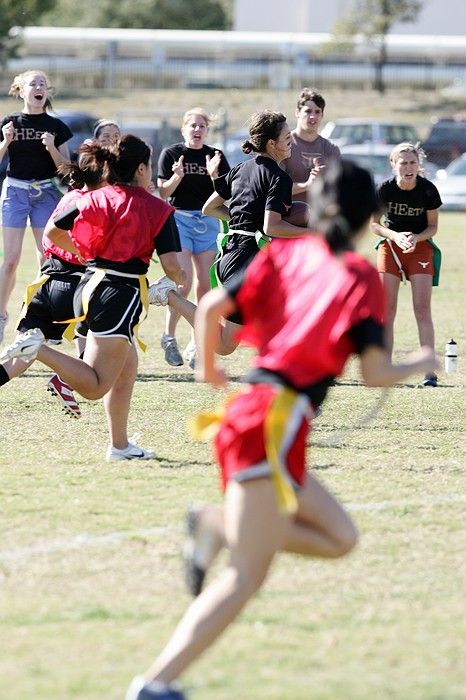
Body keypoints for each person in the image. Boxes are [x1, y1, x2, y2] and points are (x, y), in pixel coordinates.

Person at [124, 161, 438, 700]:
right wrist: (419, 363)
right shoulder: (359, 276)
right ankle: (154, 685)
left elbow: (214, 305)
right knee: (246, 577)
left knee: (341, 539)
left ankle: (220, 525)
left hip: (261, 420)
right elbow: (376, 376)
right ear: (370, 219)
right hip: (269, 426)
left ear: (313, 207)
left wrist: (207, 367)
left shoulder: (287, 254)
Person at [0, 135, 185, 460]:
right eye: (150, 164)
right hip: (119, 293)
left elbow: (53, 234)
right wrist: (180, 280)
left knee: (128, 365)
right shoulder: (158, 207)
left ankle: (120, 445)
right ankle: (37, 347)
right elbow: (172, 267)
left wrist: (88, 256)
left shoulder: (93, 196)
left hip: (88, 285)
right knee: (95, 386)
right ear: (142, 168)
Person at [149, 110, 311, 358]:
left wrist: (242, 222)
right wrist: (309, 233)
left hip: (229, 256)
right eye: (287, 137)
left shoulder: (239, 169)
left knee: (238, 338)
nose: (291, 141)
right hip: (247, 263)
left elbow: (209, 208)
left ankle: (170, 297)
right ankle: (169, 296)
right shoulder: (279, 178)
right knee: (233, 340)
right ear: (271, 143)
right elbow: (271, 227)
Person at [0, 142, 112, 419]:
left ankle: (60, 376)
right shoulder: (94, 203)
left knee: (20, 356)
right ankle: (66, 379)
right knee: (115, 343)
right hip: (77, 286)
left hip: (46, 284)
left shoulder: (68, 196)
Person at [0, 70, 72, 343]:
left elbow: (66, 170)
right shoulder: (9, 122)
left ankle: (42, 317)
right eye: (33, 83)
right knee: (11, 261)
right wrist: (6, 141)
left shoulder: (56, 126)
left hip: (45, 192)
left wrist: (52, 148)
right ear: (21, 90)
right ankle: (0, 316)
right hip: (15, 192)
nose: (39, 87)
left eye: (43, 84)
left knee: (47, 259)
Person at [157, 107, 230, 368]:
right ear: (184, 129)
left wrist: (214, 176)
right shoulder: (172, 154)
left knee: (205, 287)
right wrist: (178, 175)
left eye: (202, 126)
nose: (197, 130)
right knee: (183, 282)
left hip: (208, 222)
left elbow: (225, 193)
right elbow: (163, 193)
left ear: (208, 130)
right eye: (193, 126)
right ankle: (168, 336)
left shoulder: (216, 156)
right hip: (180, 221)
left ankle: (197, 344)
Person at [371, 142, 442, 387]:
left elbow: (433, 226)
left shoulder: (428, 190)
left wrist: (414, 237)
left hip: (419, 248)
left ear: (418, 165)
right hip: (390, 247)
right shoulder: (385, 189)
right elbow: (374, 224)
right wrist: (395, 236)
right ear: (394, 165)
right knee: (387, 311)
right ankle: (385, 368)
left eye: (412, 162)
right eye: (403, 163)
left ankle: (429, 372)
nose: (408, 167)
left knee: (422, 310)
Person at [281, 87, 340, 200]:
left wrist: (326, 178)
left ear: (322, 115)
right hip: (288, 215)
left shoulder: (331, 149)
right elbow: (275, 188)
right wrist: (307, 185)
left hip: (319, 216)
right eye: (308, 111)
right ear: (297, 113)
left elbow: (338, 189)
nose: (313, 116)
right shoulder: (283, 145)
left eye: (317, 112)